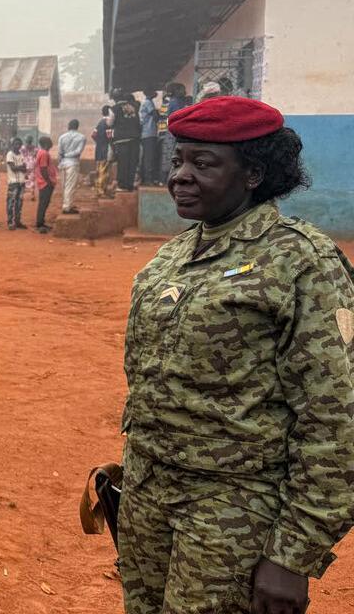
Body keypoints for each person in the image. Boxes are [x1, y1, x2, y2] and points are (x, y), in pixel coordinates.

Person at [119, 96, 354, 614]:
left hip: (234, 509)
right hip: (148, 493)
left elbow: (334, 417)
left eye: (203, 163)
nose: (180, 175)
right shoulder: (178, 250)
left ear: (253, 174)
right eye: (178, 160)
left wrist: (294, 554)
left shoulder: (303, 262)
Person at [158, 82, 191, 183]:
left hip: (176, 131)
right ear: (175, 91)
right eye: (181, 89)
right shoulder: (174, 102)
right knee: (171, 155)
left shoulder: (179, 101)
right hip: (173, 132)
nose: (184, 91)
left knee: (173, 155)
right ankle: (166, 179)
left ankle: (167, 178)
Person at [111, 92, 141, 192]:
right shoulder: (135, 107)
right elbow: (139, 121)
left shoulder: (114, 108)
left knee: (123, 163)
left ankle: (122, 185)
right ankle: (130, 185)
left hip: (121, 139)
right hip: (135, 139)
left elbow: (110, 122)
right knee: (132, 163)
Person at [57, 119, 87, 215]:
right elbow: (78, 151)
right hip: (73, 163)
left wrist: (62, 159)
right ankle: (67, 207)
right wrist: (68, 155)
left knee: (64, 185)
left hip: (63, 163)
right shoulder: (82, 137)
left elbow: (59, 152)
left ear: (68, 126)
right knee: (71, 185)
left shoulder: (62, 137)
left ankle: (68, 204)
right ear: (77, 126)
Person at [33, 135, 57, 234]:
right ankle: (39, 224)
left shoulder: (41, 152)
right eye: (50, 141)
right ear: (47, 143)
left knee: (44, 202)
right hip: (45, 183)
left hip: (43, 182)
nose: (52, 143)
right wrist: (49, 181)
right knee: (43, 203)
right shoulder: (44, 154)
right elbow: (43, 169)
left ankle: (41, 222)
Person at [139, 89, 161, 185]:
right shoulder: (148, 103)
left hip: (146, 133)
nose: (155, 93)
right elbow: (155, 116)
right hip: (149, 133)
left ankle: (145, 178)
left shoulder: (146, 102)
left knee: (146, 157)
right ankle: (148, 179)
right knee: (149, 157)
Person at [5, 137, 26, 230]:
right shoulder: (10, 154)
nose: (17, 146)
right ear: (12, 145)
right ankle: (10, 222)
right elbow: (13, 168)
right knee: (11, 202)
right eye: (16, 144)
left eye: (19, 144)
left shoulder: (21, 155)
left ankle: (17, 221)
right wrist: (21, 167)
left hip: (21, 181)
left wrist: (20, 167)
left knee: (19, 203)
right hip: (13, 182)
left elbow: (24, 168)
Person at [92, 105, 112, 196]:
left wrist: (99, 142)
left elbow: (93, 135)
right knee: (104, 170)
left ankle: (98, 189)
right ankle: (101, 191)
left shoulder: (100, 123)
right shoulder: (108, 123)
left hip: (98, 149)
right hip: (105, 150)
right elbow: (110, 137)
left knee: (99, 170)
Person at [21, 135, 38, 202]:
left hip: (24, 165)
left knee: (23, 180)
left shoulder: (22, 148)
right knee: (32, 180)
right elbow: (36, 156)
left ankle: (22, 195)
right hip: (32, 165)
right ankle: (32, 194)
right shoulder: (35, 148)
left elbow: (20, 156)